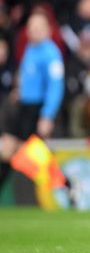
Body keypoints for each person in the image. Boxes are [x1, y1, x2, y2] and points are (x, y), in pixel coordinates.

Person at [0, 11, 64, 192]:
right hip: (23, 107)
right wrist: (20, 91)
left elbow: (55, 87)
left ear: (47, 30)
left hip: (37, 110)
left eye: (38, 27)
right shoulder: (29, 48)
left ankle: (63, 185)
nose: (34, 31)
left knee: (25, 152)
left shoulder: (51, 54)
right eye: (31, 27)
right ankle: (62, 186)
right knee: (10, 149)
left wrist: (47, 116)